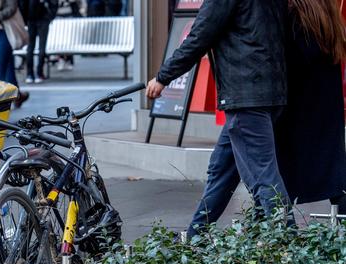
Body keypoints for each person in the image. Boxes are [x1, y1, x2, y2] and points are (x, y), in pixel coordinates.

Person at [146, 0, 292, 238]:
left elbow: (199, 37)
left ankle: (290, 250)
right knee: (221, 171)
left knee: (264, 178)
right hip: (267, 93)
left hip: (246, 97)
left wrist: (163, 77)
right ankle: (195, 237)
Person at [275, 0, 346, 213]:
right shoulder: (325, 12)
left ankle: (278, 229)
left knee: (281, 176)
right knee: (333, 174)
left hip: (298, 108)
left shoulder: (294, 16)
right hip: (325, 107)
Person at [21, 0, 58, 83]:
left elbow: (23, 4)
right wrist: (50, 15)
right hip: (42, 18)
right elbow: (54, 3)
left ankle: (30, 74)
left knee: (30, 47)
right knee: (41, 47)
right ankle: (39, 73)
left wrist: (25, 18)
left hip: (31, 18)